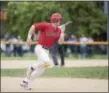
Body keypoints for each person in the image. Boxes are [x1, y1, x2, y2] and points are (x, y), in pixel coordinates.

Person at [20, 13, 64, 90]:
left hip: (46, 51)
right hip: (40, 48)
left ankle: (26, 82)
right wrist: (29, 37)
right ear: (56, 20)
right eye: (59, 19)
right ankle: (32, 66)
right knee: (48, 62)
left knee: (40, 71)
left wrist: (62, 33)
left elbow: (60, 42)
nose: (60, 21)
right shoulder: (46, 25)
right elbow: (33, 26)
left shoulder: (58, 30)